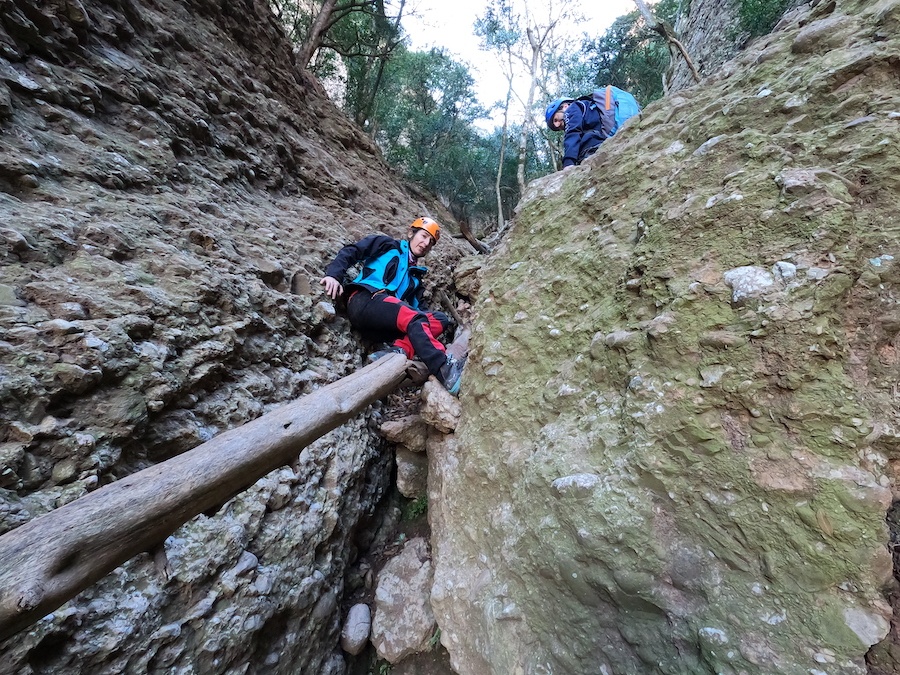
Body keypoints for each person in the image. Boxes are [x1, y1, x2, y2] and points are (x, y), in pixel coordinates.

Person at [320, 217, 465, 395]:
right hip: (365, 301)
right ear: (411, 233)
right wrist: (334, 275)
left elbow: (423, 315)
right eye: (424, 236)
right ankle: (444, 369)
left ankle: (399, 350)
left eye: (431, 242)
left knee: (440, 319)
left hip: (385, 325)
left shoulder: (415, 280)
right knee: (416, 318)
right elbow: (353, 251)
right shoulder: (387, 245)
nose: (426, 243)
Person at [545, 86, 641, 168]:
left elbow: (572, 132)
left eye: (555, 119)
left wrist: (568, 163)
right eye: (556, 126)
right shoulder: (588, 107)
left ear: (565, 106)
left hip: (595, 147)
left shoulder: (572, 109)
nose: (557, 125)